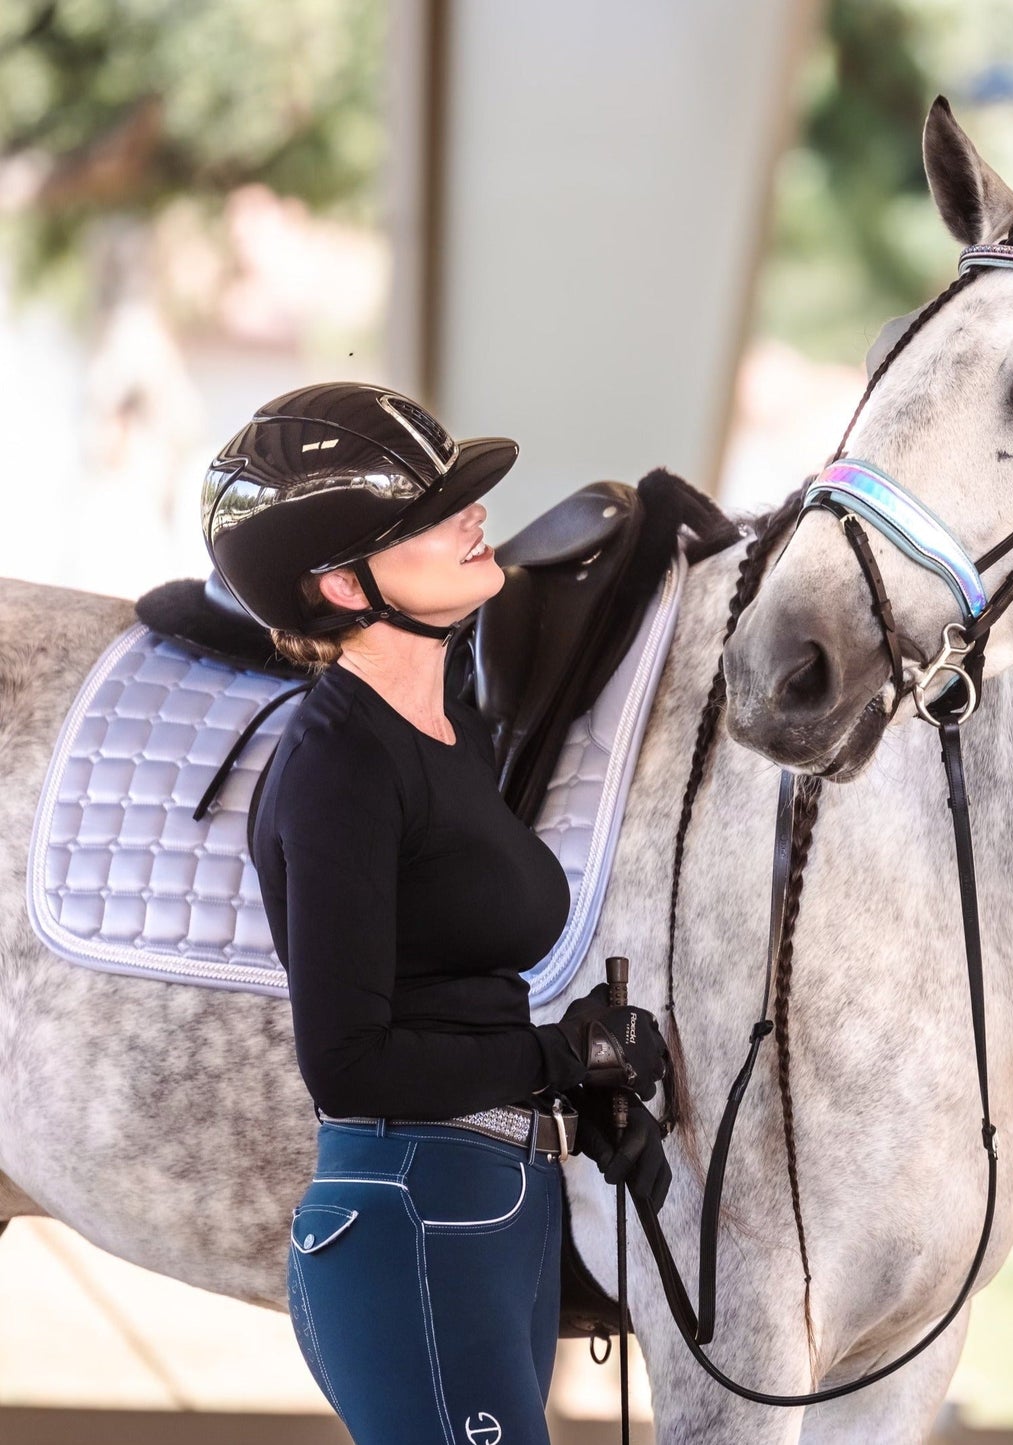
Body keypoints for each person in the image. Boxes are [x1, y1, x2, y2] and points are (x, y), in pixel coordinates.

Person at [201, 381, 673, 1445]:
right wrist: (553, 1057)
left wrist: (579, 1082)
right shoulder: (338, 763)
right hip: (412, 1212)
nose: (473, 516)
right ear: (340, 583)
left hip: (489, 1202)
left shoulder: (442, 732)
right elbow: (349, 1062)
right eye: (428, 514)